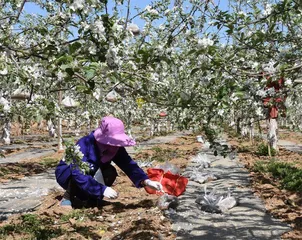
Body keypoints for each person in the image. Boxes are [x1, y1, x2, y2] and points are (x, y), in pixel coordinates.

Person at [55, 116, 163, 208]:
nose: (114, 146)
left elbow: (128, 164)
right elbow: (77, 173)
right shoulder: (85, 144)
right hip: (67, 174)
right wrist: (102, 190)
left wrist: (146, 181)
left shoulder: (115, 147)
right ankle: (67, 197)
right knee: (82, 170)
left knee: (109, 171)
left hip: (91, 172)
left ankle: (92, 200)